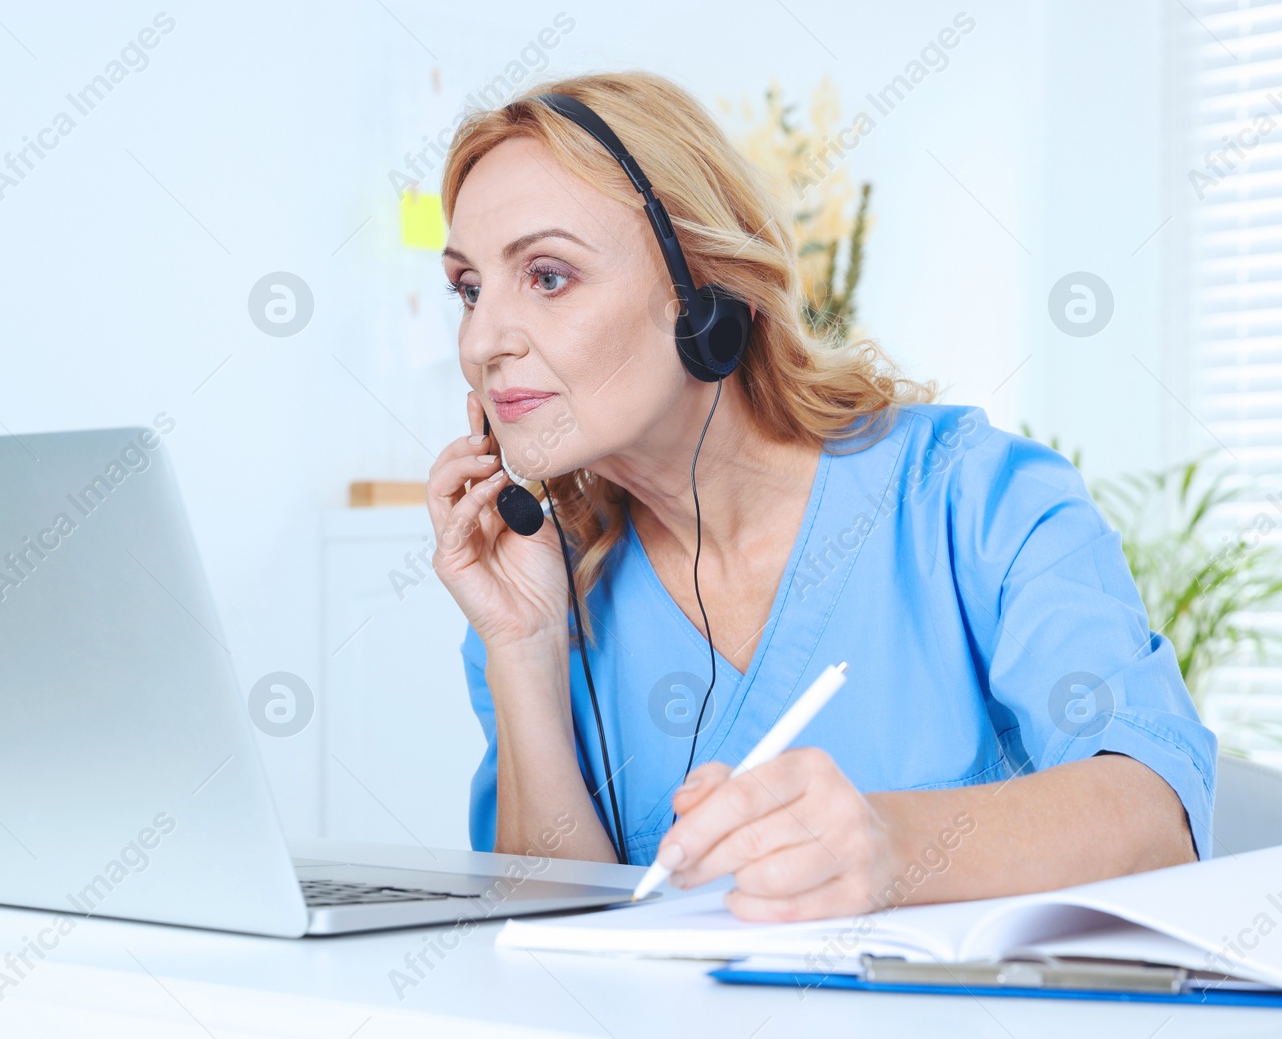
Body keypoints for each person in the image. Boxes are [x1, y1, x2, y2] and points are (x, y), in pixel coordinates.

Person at [422, 71, 1215, 923]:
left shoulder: (971, 498)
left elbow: (1154, 814)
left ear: (701, 291)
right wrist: (523, 648)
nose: (482, 341)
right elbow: (543, 958)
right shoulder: (544, 589)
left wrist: (892, 843)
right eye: (468, 288)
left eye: (546, 276)